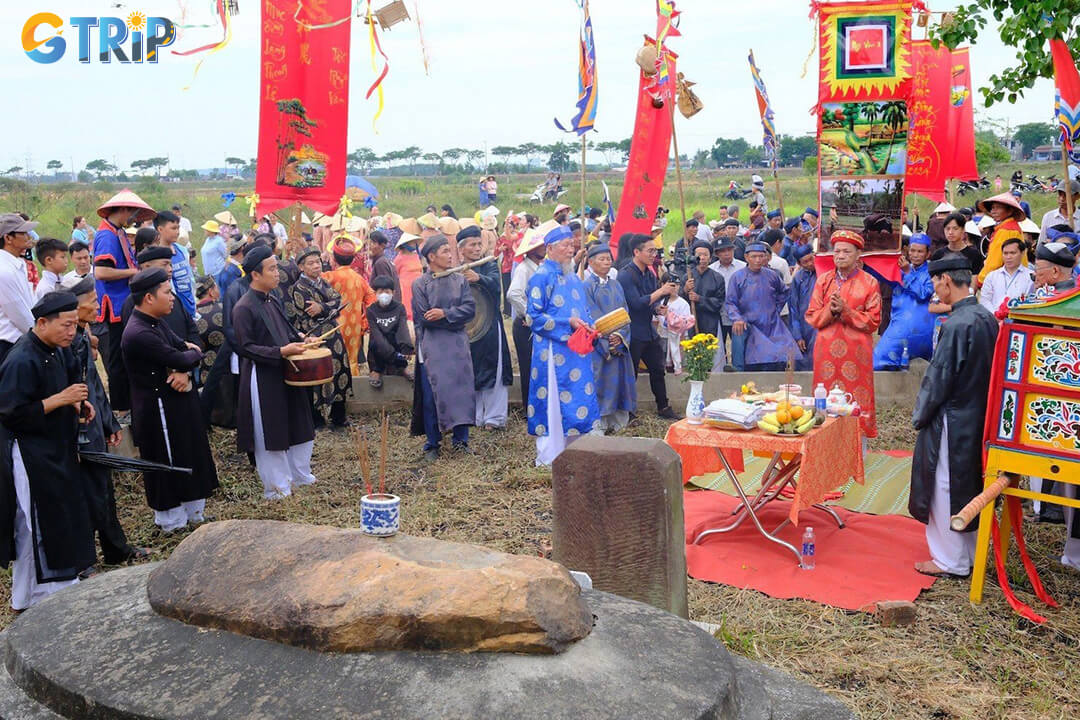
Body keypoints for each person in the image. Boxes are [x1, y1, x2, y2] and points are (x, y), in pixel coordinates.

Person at [0, 291, 96, 610]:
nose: (72, 332)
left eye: (75, 325)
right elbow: (11, 414)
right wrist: (61, 400)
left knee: (58, 516)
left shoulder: (58, 349)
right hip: (29, 453)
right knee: (36, 523)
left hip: (55, 448)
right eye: (66, 325)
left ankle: (33, 594)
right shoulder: (20, 359)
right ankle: (44, 593)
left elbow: (67, 384)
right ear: (42, 323)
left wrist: (79, 403)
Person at [910, 255, 999, 577]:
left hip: (953, 414)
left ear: (946, 280)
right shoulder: (986, 317)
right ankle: (971, 553)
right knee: (969, 482)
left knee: (943, 483)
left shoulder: (957, 324)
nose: (935, 289)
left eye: (936, 282)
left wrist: (921, 414)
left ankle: (950, 560)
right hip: (978, 413)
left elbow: (940, 377)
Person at [121, 269, 218, 532]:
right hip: (157, 407)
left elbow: (190, 350)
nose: (172, 298)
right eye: (167, 292)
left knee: (188, 450)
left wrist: (183, 369)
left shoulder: (156, 322)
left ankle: (193, 512)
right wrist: (184, 362)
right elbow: (183, 354)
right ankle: (172, 522)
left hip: (176, 400)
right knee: (167, 459)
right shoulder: (139, 332)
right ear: (149, 298)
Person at [62, 275, 147, 566]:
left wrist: (109, 422)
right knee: (89, 493)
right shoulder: (67, 342)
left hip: (96, 423)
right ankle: (85, 562)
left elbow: (95, 384)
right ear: (74, 308)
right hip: (80, 429)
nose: (98, 306)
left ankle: (116, 549)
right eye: (92, 302)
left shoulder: (83, 335)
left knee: (104, 489)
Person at [232, 246, 317, 499]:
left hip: (287, 370)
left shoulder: (273, 298)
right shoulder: (243, 308)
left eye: (276, 267)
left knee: (298, 422)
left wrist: (301, 339)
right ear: (255, 275)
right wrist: (281, 352)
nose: (277, 273)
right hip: (264, 376)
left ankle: (300, 474)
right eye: (271, 269)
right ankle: (277, 487)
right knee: (271, 431)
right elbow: (245, 348)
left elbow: (285, 331)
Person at [526, 222, 600, 466]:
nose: (572, 249)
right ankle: (549, 458)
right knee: (554, 402)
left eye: (573, 244)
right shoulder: (541, 276)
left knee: (579, 398)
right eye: (566, 245)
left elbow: (583, 310)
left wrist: (591, 327)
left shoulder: (573, 277)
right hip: (553, 352)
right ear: (550, 248)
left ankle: (576, 453)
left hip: (577, 350)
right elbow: (533, 317)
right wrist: (567, 322)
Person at [806, 230, 882, 439]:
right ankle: (824, 444)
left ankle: (858, 448)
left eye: (846, 252)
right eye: (837, 251)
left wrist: (847, 311)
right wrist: (831, 310)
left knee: (856, 399)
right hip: (826, 352)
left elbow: (874, 321)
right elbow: (812, 316)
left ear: (858, 254)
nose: (840, 255)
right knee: (825, 400)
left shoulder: (870, 283)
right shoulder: (823, 281)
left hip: (856, 353)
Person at [409, 235, 477, 462]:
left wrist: (446, 313)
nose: (451, 255)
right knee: (432, 394)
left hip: (457, 343)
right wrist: (446, 317)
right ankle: (432, 442)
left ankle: (461, 439)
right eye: (445, 251)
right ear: (431, 256)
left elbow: (470, 309)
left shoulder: (460, 280)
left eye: (450, 251)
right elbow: (424, 317)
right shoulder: (420, 284)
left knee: (461, 390)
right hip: (432, 345)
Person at [93, 190, 156, 422]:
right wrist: (134, 272)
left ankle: (129, 402)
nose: (134, 218)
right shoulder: (106, 236)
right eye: (133, 213)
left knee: (127, 355)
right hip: (115, 304)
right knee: (118, 359)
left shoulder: (117, 232)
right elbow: (101, 271)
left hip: (124, 301)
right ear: (124, 210)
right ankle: (121, 408)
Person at [617, 234, 680, 419]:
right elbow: (635, 304)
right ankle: (627, 412)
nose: (654, 254)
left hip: (649, 331)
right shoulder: (625, 275)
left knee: (658, 370)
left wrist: (656, 309)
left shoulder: (649, 273)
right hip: (632, 332)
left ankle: (663, 407)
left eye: (656, 250)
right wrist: (661, 291)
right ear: (636, 252)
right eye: (650, 250)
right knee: (631, 374)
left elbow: (649, 301)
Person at [289, 247, 352, 429]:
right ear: (301, 267)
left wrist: (322, 307)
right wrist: (328, 308)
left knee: (340, 371)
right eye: (311, 263)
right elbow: (313, 313)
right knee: (316, 375)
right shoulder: (298, 289)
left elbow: (338, 301)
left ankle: (339, 417)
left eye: (318, 262)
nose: (316, 266)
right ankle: (316, 419)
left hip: (334, 335)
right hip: (315, 337)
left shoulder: (323, 282)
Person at [458, 227, 513, 429]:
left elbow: (497, 288)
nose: (477, 248)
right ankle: (474, 416)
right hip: (467, 329)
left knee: (494, 369)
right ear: (461, 249)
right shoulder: (455, 269)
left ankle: (494, 418)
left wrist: (478, 278)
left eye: (479, 244)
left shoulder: (488, 264)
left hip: (489, 324)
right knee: (470, 369)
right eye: (472, 245)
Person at [724, 241, 801, 372]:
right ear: (746, 257)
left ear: (766, 257)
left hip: (770, 323)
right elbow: (731, 302)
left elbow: (785, 291)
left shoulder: (771, 275)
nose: (758, 260)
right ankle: (738, 370)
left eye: (761, 256)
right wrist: (737, 318)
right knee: (738, 332)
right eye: (754, 256)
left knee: (782, 351)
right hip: (748, 322)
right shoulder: (738, 277)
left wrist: (775, 308)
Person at [584, 244, 636, 433]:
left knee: (620, 381)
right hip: (599, 345)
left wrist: (620, 336)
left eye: (608, 259)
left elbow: (624, 312)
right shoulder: (586, 286)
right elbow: (590, 315)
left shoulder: (616, 285)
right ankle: (598, 423)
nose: (606, 262)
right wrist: (606, 338)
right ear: (590, 262)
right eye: (601, 259)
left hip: (618, 343)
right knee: (599, 381)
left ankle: (618, 421)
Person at [873, 233, 935, 369]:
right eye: (912, 250)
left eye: (920, 251)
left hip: (920, 329)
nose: (915, 255)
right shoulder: (902, 269)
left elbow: (924, 294)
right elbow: (884, 275)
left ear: (928, 254)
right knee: (878, 360)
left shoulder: (932, 272)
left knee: (880, 359)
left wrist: (907, 273)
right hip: (899, 325)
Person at [122, 245, 200, 347]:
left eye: (171, 265)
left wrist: (193, 350)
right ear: (146, 267)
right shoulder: (133, 302)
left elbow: (191, 328)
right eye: (165, 265)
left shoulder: (174, 297)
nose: (170, 269)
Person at [321, 237, 376, 375]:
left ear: (333, 258)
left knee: (333, 356)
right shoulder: (359, 279)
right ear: (352, 259)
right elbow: (372, 299)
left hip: (332, 325)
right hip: (354, 325)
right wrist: (364, 318)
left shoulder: (328, 277)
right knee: (352, 358)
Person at [507, 228, 547, 411]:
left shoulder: (539, 268)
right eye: (540, 246)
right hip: (526, 326)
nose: (544, 248)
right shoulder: (524, 269)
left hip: (536, 324)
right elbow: (513, 294)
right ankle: (528, 407)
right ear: (531, 251)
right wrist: (529, 315)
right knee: (528, 366)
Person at [0, 214, 38, 366]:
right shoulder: (4, 271)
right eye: (22, 233)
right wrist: (39, 337)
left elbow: (29, 303)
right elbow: (19, 314)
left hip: (23, 340)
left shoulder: (17, 265)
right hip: (10, 344)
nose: (28, 236)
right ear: (8, 238)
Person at [366, 275, 414, 387]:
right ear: (376, 293)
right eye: (381, 291)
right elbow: (376, 333)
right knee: (375, 342)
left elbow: (402, 328)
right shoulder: (371, 310)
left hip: (395, 340)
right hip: (379, 344)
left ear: (393, 292)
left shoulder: (399, 307)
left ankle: (402, 367)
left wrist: (406, 346)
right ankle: (377, 370)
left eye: (387, 291)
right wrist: (391, 353)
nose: (384, 294)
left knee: (397, 338)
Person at [975, 193, 1027, 288]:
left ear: (1010, 210)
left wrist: (980, 280)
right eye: (992, 208)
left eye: (998, 207)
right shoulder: (1012, 227)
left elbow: (995, 262)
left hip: (1005, 281)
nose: (993, 211)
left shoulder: (1005, 230)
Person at [978, 237, 1034, 317]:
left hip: (1017, 320)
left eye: (1012, 253)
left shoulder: (1030, 276)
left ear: (1022, 253)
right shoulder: (992, 276)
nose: (1008, 257)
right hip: (993, 320)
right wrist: (995, 315)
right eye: (1005, 253)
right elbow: (985, 299)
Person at [684, 240, 726, 341]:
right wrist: (685, 290)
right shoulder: (688, 276)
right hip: (692, 320)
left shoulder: (718, 278)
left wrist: (699, 299)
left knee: (709, 350)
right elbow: (680, 301)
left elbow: (719, 302)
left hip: (710, 321)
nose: (702, 258)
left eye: (705, 255)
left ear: (710, 258)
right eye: (699, 255)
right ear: (694, 257)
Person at [656, 274, 695, 374]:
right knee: (662, 365)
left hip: (680, 339)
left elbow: (687, 322)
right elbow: (656, 321)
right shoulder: (659, 303)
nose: (674, 288)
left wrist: (675, 322)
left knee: (682, 365)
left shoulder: (683, 304)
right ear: (663, 285)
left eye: (677, 285)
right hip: (663, 337)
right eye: (671, 285)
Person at [788, 245, 817, 371]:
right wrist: (797, 335)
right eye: (806, 262)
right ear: (799, 264)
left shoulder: (825, 273)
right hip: (804, 325)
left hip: (821, 323)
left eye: (812, 259)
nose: (810, 263)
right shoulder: (798, 278)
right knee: (804, 360)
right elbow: (793, 308)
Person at [931, 212, 985, 278]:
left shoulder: (974, 255)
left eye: (955, 228)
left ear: (963, 230)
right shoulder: (938, 255)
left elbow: (975, 279)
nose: (950, 232)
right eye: (947, 229)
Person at [394, 220, 424, 321]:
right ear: (406, 244)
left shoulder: (416, 256)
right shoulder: (400, 258)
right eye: (412, 242)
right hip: (406, 287)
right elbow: (395, 273)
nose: (414, 244)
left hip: (419, 286)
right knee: (408, 309)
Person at [368, 230, 399, 301]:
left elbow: (385, 289)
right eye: (368, 243)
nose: (369, 246)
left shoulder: (381, 263)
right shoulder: (383, 261)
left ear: (382, 246)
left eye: (373, 243)